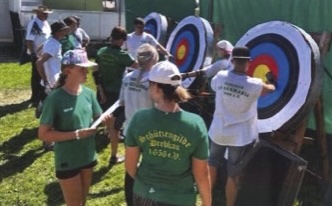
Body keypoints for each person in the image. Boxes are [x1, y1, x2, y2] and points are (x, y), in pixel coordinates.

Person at [125, 61, 211, 206]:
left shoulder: (139, 119)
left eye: (150, 84)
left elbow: (130, 166)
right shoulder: (195, 124)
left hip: (145, 194)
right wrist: (207, 203)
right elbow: (201, 173)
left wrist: (147, 184)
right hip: (180, 198)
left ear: (156, 87)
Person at [38, 49, 109, 206]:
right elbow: (43, 134)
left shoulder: (89, 94)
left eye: (87, 68)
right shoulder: (55, 98)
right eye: (81, 68)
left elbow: (99, 118)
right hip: (68, 159)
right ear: (67, 71)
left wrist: (107, 121)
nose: (86, 72)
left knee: (82, 202)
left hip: (88, 155)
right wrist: (76, 134)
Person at [208, 47, 276, 206]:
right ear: (249, 63)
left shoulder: (220, 77)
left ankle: (206, 200)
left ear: (232, 61)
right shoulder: (254, 84)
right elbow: (270, 89)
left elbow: (213, 86)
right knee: (233, 174)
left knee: (212, 163)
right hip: (238, 137)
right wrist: (271, 81)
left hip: (218, 131)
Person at [118, 43, 159, 206]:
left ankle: (131, 201)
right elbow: (158, 107)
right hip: (149, 133)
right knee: (150, 168)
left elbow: (121, 101)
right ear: (154, 59)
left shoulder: (128, 77)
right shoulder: (153, 81)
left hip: (130, 130)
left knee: (130, 168)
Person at [93, 26, 138, 165]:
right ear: (122, 40)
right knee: (115, 126)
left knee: (107, 119)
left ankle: (108, 132)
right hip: (116, 94)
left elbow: (95, 73)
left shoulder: (101, 51)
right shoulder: (122, 55)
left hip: (103, 90)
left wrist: (100, 91)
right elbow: (139, 67)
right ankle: (113, 155)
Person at [25, 5, 53, 107]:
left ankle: (41, 94)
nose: (46, 15)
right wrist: (33, 54)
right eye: (44, 13)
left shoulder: (45, 23)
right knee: (37, 76)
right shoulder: (35, 24)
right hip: (37, 54)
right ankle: (35, 97)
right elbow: (29, 40)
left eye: (47, 14)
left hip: (44, 53)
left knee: (43, 74)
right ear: (38, 13)